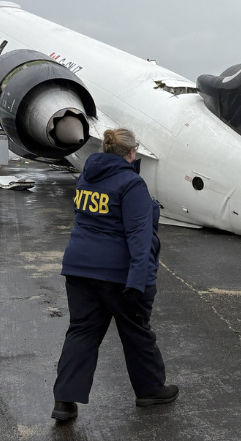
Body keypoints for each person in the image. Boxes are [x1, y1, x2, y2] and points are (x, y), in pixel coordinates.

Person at [51, 127, 175, 422]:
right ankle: (150, 389)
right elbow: (139, 237)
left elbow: (85, 219)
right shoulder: (132, 185)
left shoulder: (86, 177)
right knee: (136, 331)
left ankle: (65, 401)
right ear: (131, 153)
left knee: (82, 331)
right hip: (117, 275)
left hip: (79, 269)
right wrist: (138, 282)